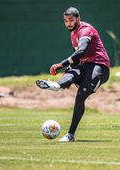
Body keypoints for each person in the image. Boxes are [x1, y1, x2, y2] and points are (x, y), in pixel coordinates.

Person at [36, 7, 110, 142]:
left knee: (80, 96)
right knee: (74, 71)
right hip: (86, 66)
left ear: (78, 19)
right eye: (65, 21)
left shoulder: (85, 30)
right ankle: (57, 85)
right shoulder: (73, 34)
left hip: (100, 67)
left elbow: (81, 51)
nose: (68, 23)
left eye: (71, 20)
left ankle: (70, 135)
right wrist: (68, 73)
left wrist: (61, 64)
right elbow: (77, 60)